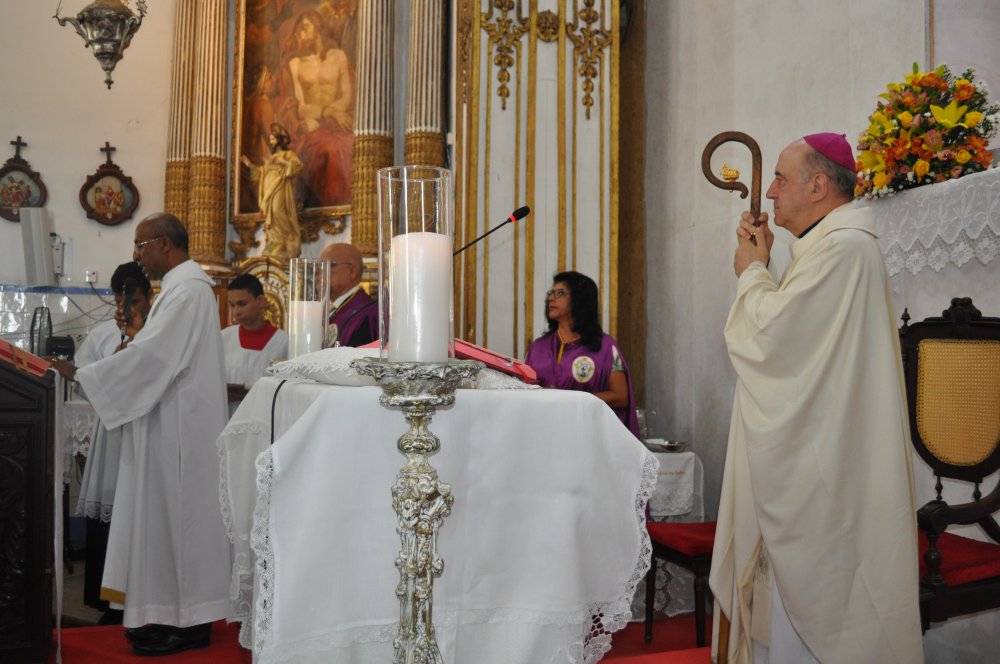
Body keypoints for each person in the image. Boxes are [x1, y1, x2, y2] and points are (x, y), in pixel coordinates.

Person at [710, 134, 923, 663]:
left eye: (781, 178)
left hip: (829, 473)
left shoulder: (844, 248)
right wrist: (764, 264)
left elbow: (774, 341)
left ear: (819, 185)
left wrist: (752, 271)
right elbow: (797, 348)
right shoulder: (828, 247)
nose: (773, 191)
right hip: (824, 452)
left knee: (823, 617)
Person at [75, 213, 231, 656]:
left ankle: (192, 622)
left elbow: (153, 357)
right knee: (164, 525)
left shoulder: (188, 291)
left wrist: (87, 375)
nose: (136, 255)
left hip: (180, 430)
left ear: (165, 244)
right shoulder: (181, 289)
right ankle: (165, 613)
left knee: (179, 524)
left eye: (141, 245)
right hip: (167, 422)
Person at [51, 262, 153, 625]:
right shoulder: (101, 333)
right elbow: (88, 381)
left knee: (136, 513)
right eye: (118, 298)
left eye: (132, 298)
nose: (124, 306)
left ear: (148, 296)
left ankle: (138, 601)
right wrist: (81, 376)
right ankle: (104, 600)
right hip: (111, 434)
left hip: (142, 435)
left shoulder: (156, 332)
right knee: (107, 514)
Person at [524, 271, 640, 438]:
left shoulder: (605, 347)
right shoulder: (538, 348)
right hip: (545, 434)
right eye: (551, 292)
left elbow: (621, 397)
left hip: (588, 438)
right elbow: (523, 391)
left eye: (560, 293)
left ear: (579, 300)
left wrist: (571, 400)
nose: (551, 298)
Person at [283, 9, 354, 207]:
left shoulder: (338, 56)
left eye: (305, 28)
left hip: (338, 123)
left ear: (318, 28)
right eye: (298, 30)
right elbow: (302, 107)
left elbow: (346, 97)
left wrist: (331, 113)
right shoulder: (295, 63)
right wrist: (327, 112)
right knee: (326, 151)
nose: (300, 34)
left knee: (348, 149)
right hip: (314, 124)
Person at [222, 273, 288, 417]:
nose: (235, 312)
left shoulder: (284, 342)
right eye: (231, 305)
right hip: (226, 418)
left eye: (241, 304)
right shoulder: (224, 338)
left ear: (260, 301)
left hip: (264, 418)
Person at [241, 123, 303, 264]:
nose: (271, 142)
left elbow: (297, 166)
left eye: (273, 139)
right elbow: (262, 172)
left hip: (280, 185)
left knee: (277, 210)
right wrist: (249, 165)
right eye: (270, 139)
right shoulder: (271, 158)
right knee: (271, 214)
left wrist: (283, 162)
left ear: (280, 140)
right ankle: (274, 241)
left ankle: (287, 238)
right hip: (269, 186)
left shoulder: (288, 154)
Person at [320, 242, 377, 347]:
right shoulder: (329, 310)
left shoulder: (367, 315)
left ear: (352, 271)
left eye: (329, 265)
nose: (319, 271)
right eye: (320, 266)